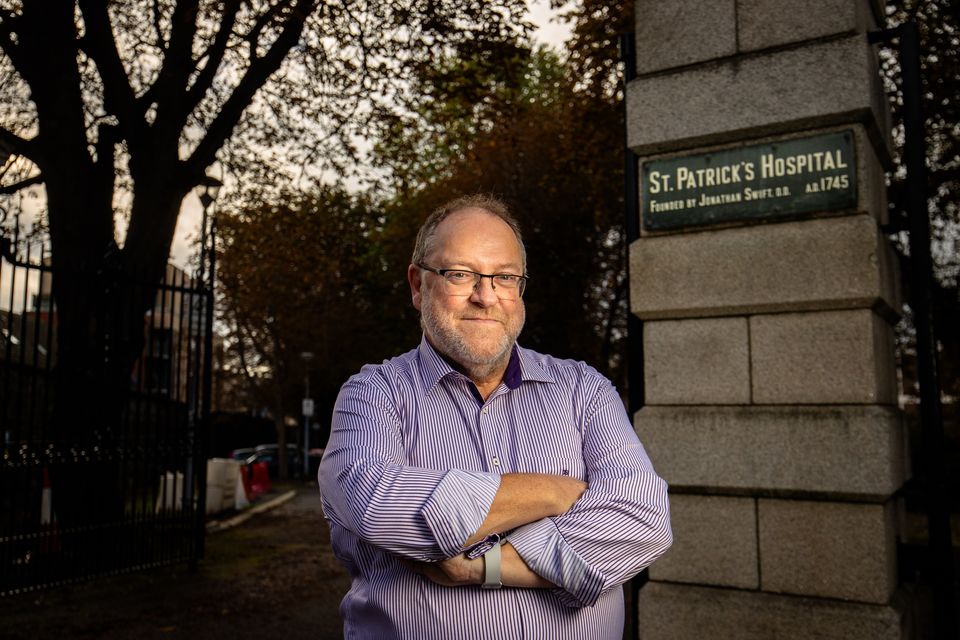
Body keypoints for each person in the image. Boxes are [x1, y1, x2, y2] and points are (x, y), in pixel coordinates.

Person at [318, 195, 672, 639]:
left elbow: (644, 520)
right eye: (459, 274)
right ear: (417, 285)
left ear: (519, 289)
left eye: (504, 277)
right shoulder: (372, 395)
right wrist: (551, 491)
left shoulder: (585, 390)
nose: (486, 297)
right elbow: (377, 505)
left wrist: (483, 566)